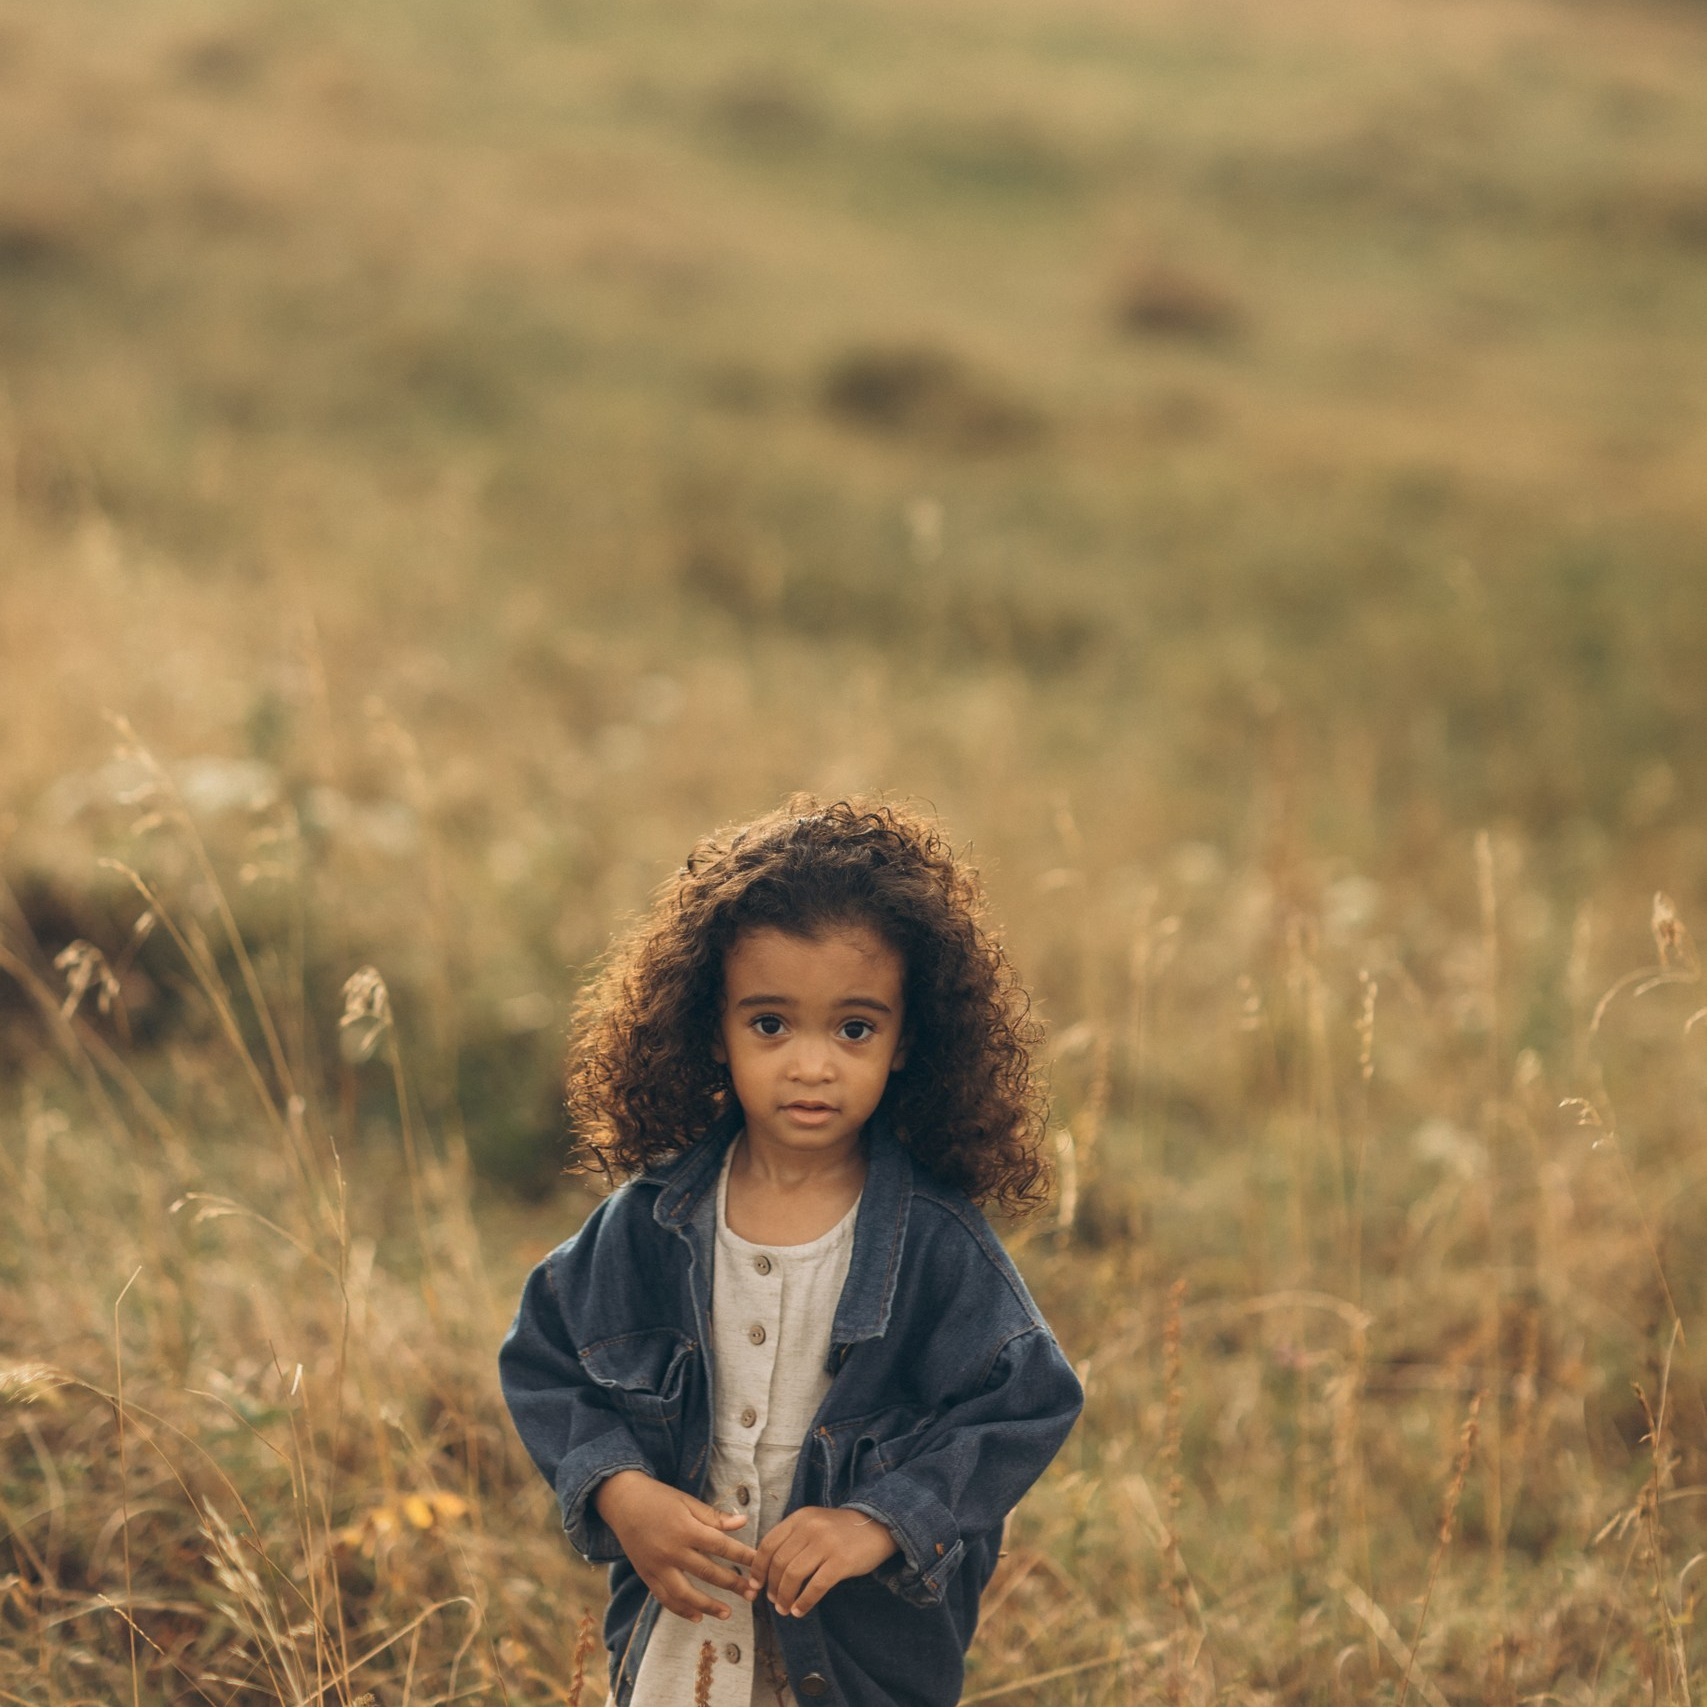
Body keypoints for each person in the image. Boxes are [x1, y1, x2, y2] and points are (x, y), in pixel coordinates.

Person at [499, 799, 1083, 1707]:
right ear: (713, 1029)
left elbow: (1027, 1400)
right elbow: (544, 1357)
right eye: (771, 1024)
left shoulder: (935, 1240)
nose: (811, 1064)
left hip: (857, 1660)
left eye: (853, 1028)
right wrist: (619, 1492)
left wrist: (880, 1521)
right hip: (681, 1646)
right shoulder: (651, 1220)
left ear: (905, 1041)